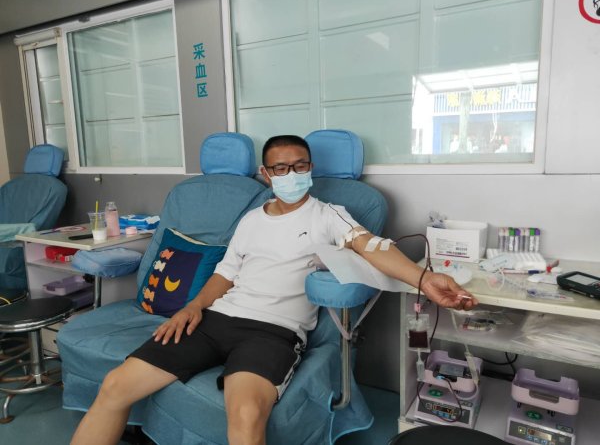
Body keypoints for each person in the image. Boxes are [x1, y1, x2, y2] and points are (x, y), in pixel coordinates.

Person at [71, 135, 477, 445]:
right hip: (215, 319)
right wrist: (193, 306)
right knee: (115, 386)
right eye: (281, 168)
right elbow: (225, 274)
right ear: (266, 175)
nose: (291, 174)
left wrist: (424, 279)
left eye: (299, 166)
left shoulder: (328, 215)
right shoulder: (251, 220)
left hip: (272, 332)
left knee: (246, 415)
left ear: (311, 168)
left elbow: (371, 246)